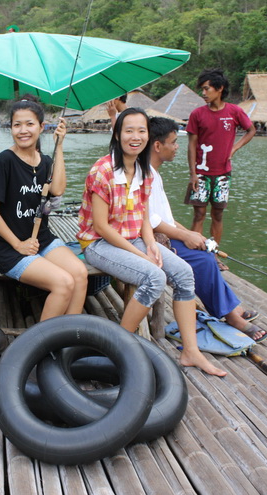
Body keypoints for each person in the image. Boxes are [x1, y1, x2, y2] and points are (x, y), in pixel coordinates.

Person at [77, 107, 226, 376]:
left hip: (134, 238)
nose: (135, 136)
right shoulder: (103, 171)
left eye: (141, 130)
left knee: (184, 272)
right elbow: (100, 226)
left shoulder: (145, 170)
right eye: (129, 130)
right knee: (154, 277)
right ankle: (119, 347)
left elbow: (143, 215)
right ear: (117, 133)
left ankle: (190, 351)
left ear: (148, 136)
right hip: (99, 244)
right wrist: (143, 257)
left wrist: (151, 244)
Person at [149, 116, 267, 342]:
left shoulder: (154, 174)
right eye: (173, 142)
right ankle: (231, 316)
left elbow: (165, 217)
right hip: (152, 240)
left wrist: (192, 234)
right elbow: (151, 221)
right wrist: (185, 235)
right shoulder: (145, 174)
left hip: (163, 233)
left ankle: (231, 309)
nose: (177, 148)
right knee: (202, 260)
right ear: (157, 146)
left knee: (205, 251)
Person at [0, 96, 87, 321]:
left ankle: (69, 339)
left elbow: (57, 189)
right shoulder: (4, 162)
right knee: (63, 283)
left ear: (41, 127)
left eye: (29, 124)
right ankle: (40, 347)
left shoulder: (45, 161)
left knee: (79, 274)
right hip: (10, 248)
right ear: (10, 128)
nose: (23, 130)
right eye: (17, 125)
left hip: (41, 239)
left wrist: (59, 146)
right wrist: (17, 243)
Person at [185, 68, 256, 270]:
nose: (203, 93)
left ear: (220, 88)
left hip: (223, 174)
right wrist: (193, 174)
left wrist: (235, 147)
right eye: (202, 89)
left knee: (218, 215)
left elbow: (251, 130)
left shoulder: (234, 112)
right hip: (201, 173)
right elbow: (191, 145)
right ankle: (194, 255)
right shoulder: (197, 114)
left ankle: (213, 255)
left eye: (207, 89)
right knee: (198, 214)